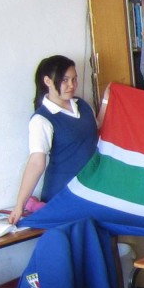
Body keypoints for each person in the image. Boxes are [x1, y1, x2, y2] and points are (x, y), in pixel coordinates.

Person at [11, 56, 101, 222]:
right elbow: (36, 163)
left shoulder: (82, 106)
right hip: (63, 194)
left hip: (92, 190)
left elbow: (97, 136)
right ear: (48, 81)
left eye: (74, 79)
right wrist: (19, 205)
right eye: (65, 80)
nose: (71, 85)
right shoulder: (42, 119)